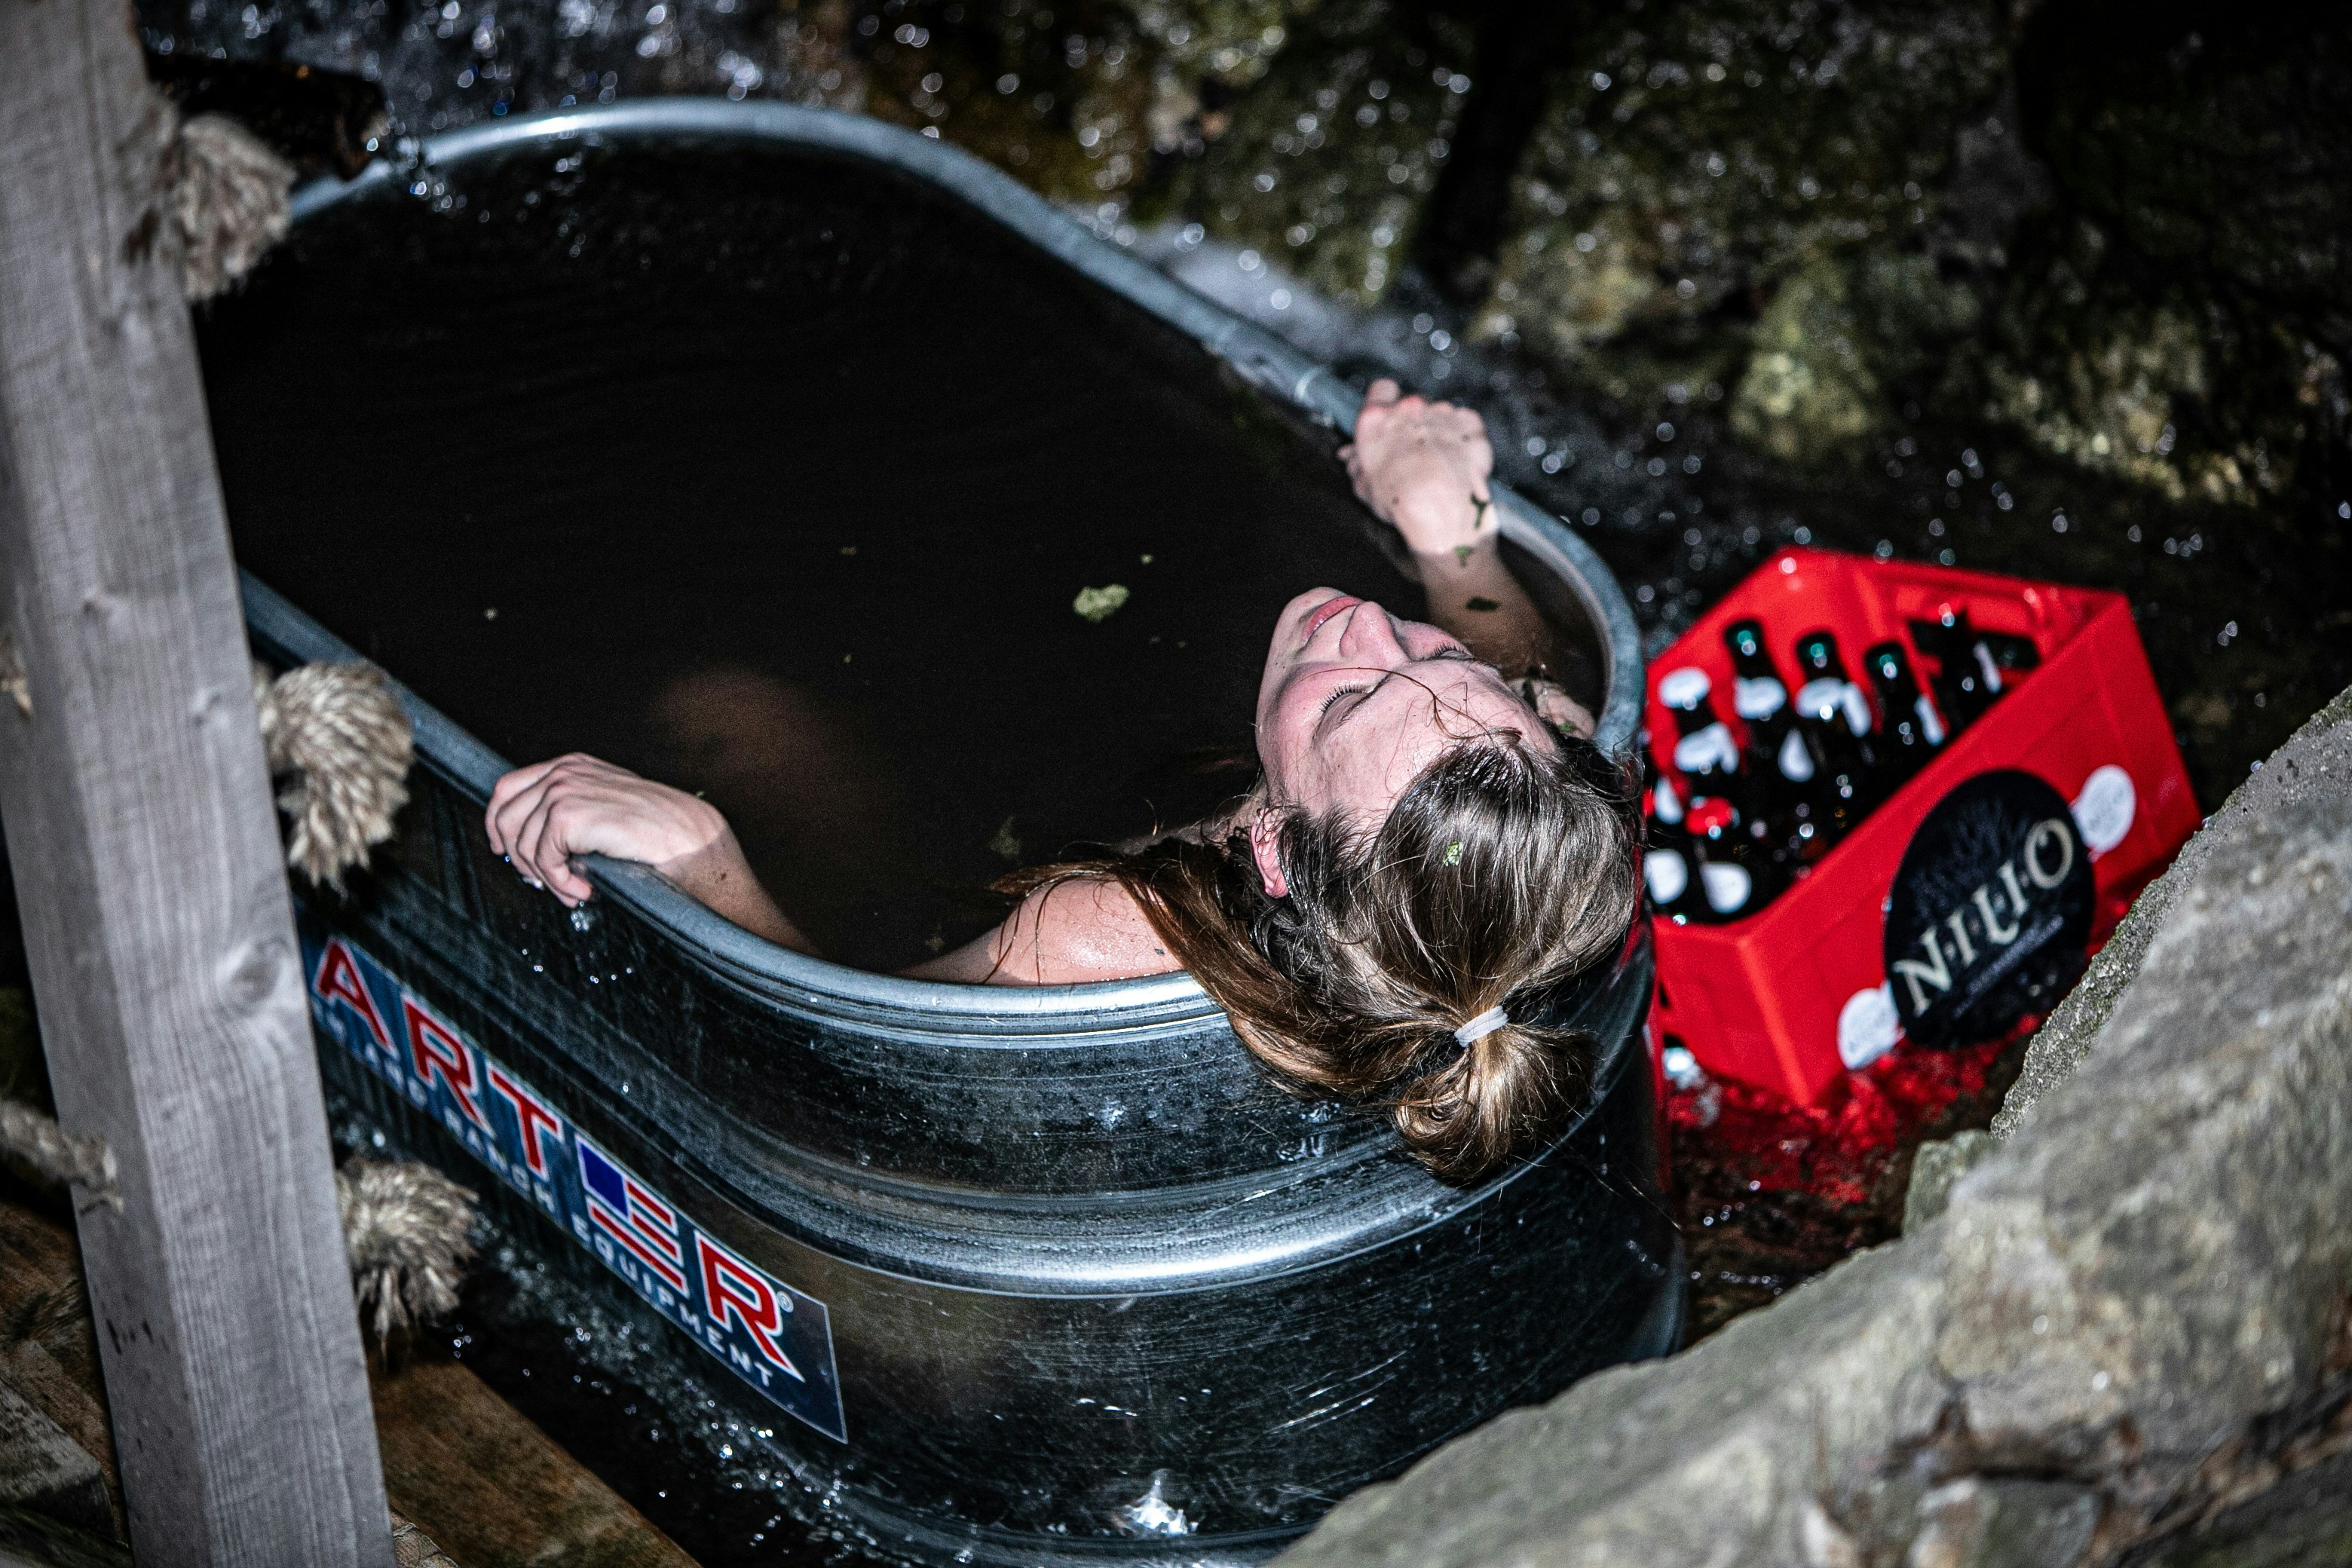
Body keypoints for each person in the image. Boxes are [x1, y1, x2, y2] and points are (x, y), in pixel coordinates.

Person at [486, 381, 1640, 1182]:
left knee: (723, 720)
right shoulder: (1535, 820)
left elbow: (849, 1055)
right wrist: (1452, 536)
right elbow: (1530, 682)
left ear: (1281, 854)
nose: (1366, 627)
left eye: (1348, 697)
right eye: (1434, 657)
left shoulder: (1100, 935)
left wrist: (702, 857)